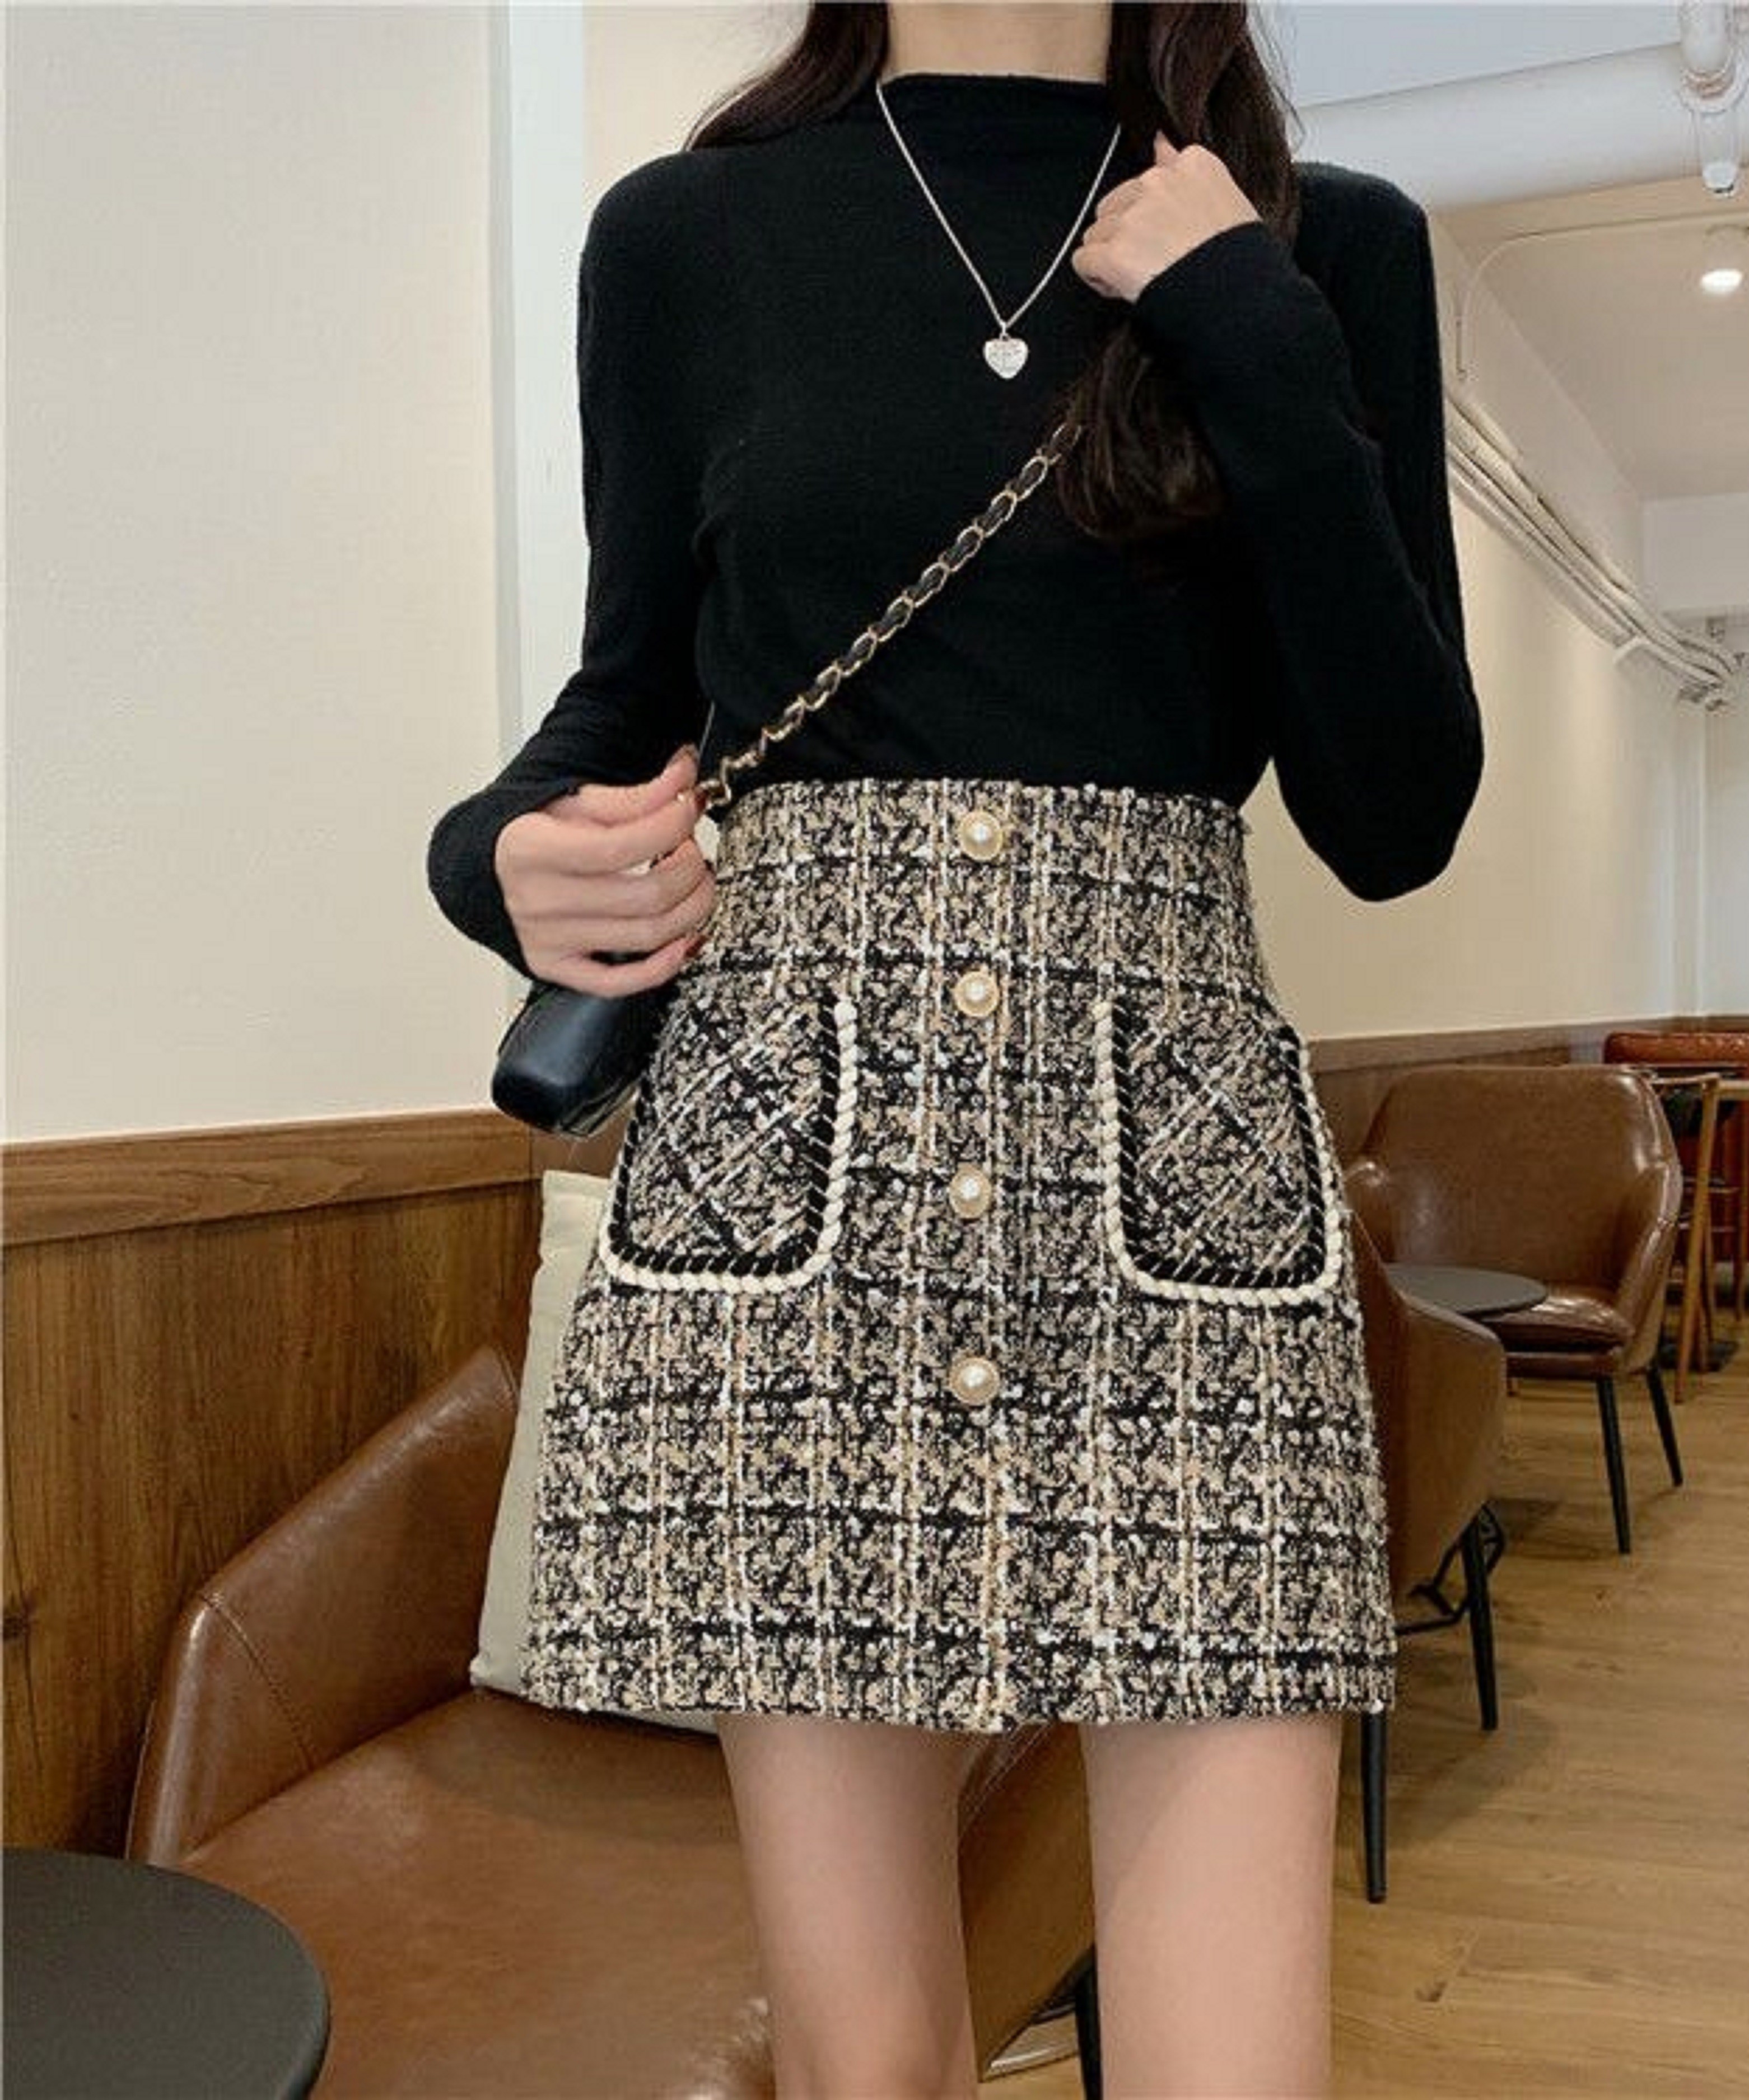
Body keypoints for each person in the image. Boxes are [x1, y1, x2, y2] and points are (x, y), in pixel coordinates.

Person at [426, 3, 1483, 2092]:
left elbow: (1396, 811)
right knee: (870, 2061)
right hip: (791, 1190)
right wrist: (497, 858)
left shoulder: (1315, 239)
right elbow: (625, 695)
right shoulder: (686, 239)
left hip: (1180, 1191)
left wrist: (1245, 328)